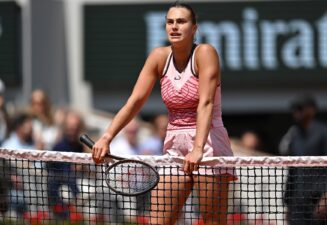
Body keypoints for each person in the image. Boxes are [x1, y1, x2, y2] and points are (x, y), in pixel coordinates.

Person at [91, 3, 235, 225]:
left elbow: (205, 103)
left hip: (208, 143)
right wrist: (107, 136)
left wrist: (197, 149)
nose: (174, 27)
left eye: (181, 21)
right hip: (174, 144)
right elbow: (135, 101)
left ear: (194, 28)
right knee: (158, 221)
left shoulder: (205, 53)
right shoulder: (158, 56)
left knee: (214, 222)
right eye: (170, 22)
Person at [279, 94, 327, 225]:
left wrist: (325, 199)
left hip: (317, 200)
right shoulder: (294, 135)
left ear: (312, 110)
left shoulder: (323, 133)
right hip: (297, 201)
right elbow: (292, 169)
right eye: (294, 108)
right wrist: (288, 202)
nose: (296, 112)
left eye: (300, 108)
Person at [46, 110, 85, 219]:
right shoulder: (59, 147)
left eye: (75, 127)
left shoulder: (80, 146)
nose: (72, 130)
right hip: (56, 182)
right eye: (70, 127)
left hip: (77, 180)